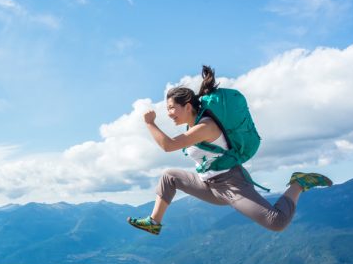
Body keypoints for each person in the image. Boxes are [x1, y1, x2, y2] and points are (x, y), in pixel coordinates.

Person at [127, 65, 331, 236]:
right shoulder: (193, 126)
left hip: (232, 184)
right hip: (208, 184)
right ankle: (154, 222)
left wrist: (150, 123)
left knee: (276, 222)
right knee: (169, 176)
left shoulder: (205, 127)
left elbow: (168, 145)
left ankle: (298, 183)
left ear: (187, 106)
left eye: (172, 108)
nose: (169, 114)